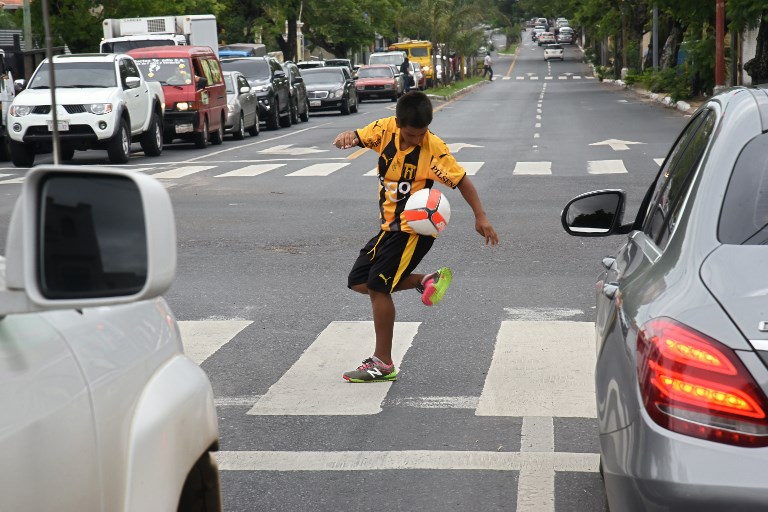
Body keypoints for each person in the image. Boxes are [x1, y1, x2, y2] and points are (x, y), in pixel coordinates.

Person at [332, 91, 499, 383]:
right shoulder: (383, 130)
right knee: (358, 281)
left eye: (421, 134)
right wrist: (347, 136)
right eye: (410, 134)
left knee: (378, 287)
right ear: (398, 124)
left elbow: (461, 181)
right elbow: (357, 136)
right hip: (388, 228)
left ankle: (382, 363)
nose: (416, 139)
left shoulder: (433, 149)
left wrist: (480, 216)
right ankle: (425, 281)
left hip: (414, 229)